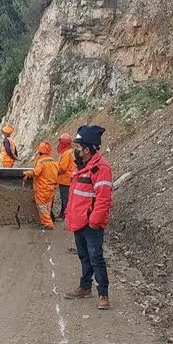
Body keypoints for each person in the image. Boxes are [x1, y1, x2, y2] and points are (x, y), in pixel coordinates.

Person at [63, 125, 113, 310]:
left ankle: (103, 294)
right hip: (79, 222)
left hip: (91, 224)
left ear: (87, 149)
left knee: (96, 257)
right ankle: (85, 287)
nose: (75, 151)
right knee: (84, 256)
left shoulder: (100, 169)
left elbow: (103, 198)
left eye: (78, 148)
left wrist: (93, 221)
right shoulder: (81, 168)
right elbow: (75, 195)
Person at [23, 141, 60, 230]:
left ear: (40, 151)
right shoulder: (54, 161)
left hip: (42, 188)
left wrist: (26, 173)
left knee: (41, 206)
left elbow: (36, 173)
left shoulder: (41, 161)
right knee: (47, 206)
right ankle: (44, 222)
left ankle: (48, 223)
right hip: (51, 188)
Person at [56, 133, 75, 220]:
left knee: (65, 198)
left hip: (65, 179)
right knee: (67, 198)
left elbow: (63, 168)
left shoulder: (66, 153)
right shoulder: (71, 151)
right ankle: (65, 214)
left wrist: (54, 171)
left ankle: (64, 215)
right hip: (70, 178)